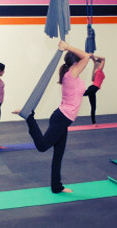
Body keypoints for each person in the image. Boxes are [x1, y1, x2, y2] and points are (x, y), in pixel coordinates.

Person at [13, 41, 91, 193]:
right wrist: (67, 47)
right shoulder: (72, 73)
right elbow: (86, 56)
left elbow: (86, 56)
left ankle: (56, 186)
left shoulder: (72, 73)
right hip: (62, 118)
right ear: (76, 62)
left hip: (62, 118)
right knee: (42, 146)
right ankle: (29, 117)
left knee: (58, 154)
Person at [83, 55, 105, 124]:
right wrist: (94, 56)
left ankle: (94, 123)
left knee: (93, 107)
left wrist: (92, 57)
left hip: (93, 89)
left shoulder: (97, 70)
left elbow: (95, 61)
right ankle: (73, 92)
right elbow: (103, 58)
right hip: (93, 88)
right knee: (80, 94)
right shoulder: (98, 70)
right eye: (101, 63)